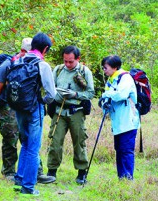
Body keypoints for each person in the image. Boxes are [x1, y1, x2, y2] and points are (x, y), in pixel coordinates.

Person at [0, 37, 56, 185]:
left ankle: (19, 180)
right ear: (45, 49)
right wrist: (41, 101)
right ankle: (28, 186)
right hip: (33, 109)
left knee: (25, 145)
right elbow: (51, 95)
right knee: (33, 148)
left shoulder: (17, 61)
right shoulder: (42, 65)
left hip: (18, 107)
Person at [46, 45, 95, 185]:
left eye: (71, 61)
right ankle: (51, 171)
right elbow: (50, 88)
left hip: (77, 111)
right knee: (55, 141)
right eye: (65, 61)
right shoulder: (58, 69)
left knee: (79, 142)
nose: (68, 64)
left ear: (78, 59)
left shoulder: (85, 72)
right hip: (59, 111)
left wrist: (75, 94)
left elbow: (91, 93)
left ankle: (81, 173)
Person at [99, 55, 140, 180]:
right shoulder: (111, 80)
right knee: (119, 150)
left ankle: (127, 179)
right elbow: (107, 98)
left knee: (126, 151)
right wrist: (104, 103)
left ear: (115, 67)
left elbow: (121, 95)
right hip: (118, 122)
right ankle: (121, 178)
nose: (104, 70)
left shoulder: (125, 78)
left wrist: (107, 94)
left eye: (105, 68)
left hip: (128, 121)